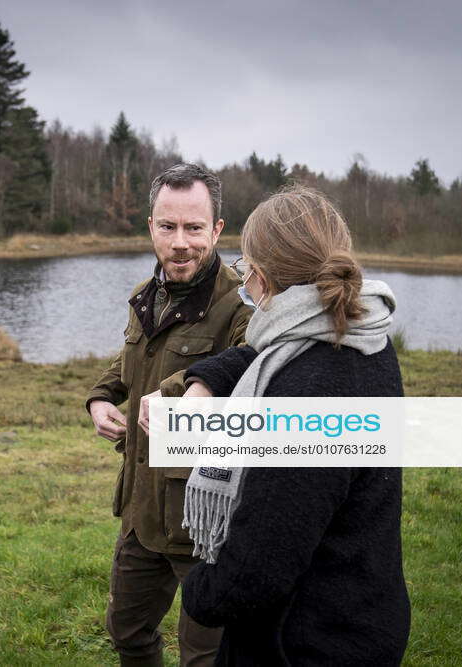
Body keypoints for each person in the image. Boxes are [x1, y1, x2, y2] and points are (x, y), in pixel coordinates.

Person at [166, 185, 411, 665]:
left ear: (261, 275)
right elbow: (263, 354)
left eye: (244, 268)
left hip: (305, 642)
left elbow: (259, 570)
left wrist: (200, 590)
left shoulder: (311, 391)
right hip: (362, 612)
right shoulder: (364, 336)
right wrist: (205, 381)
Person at [86, 163, 252, 666]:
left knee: (205, 658)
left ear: (218, 229)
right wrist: (99, 397)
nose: (181, 242)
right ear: (151, 226)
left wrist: (181, 391)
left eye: (194, 228)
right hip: (140, 513)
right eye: (168, 226)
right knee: (128, 634)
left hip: (203, 520)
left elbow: (248, 371)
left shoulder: (242, 305)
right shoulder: (147, 295)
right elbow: (131, 359)